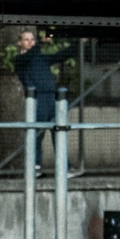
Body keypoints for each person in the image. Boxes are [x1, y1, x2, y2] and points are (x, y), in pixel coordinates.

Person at [12, 29, 71, 171]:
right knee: (37, 133)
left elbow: (60, 56)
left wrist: (78, 44)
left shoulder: (41, 58)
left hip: (52, 98)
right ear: (19, 43)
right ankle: (35, 166)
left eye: (32, 39)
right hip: (37, 99)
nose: (30, 42)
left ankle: (65, 167)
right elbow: (30, 54)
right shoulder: (20, 60)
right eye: (26, 40)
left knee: (59, 131)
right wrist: (40, 43)